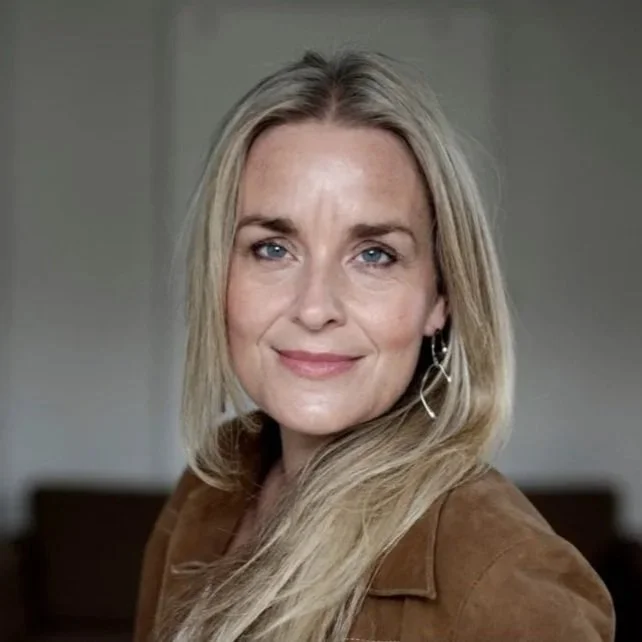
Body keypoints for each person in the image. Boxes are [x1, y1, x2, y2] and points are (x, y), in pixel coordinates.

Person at [134, 50, 614, 642]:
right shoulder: (208, 490)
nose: (315, 307)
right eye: (272, 248)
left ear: (441, 296)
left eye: (374, 255)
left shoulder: (506, 579)